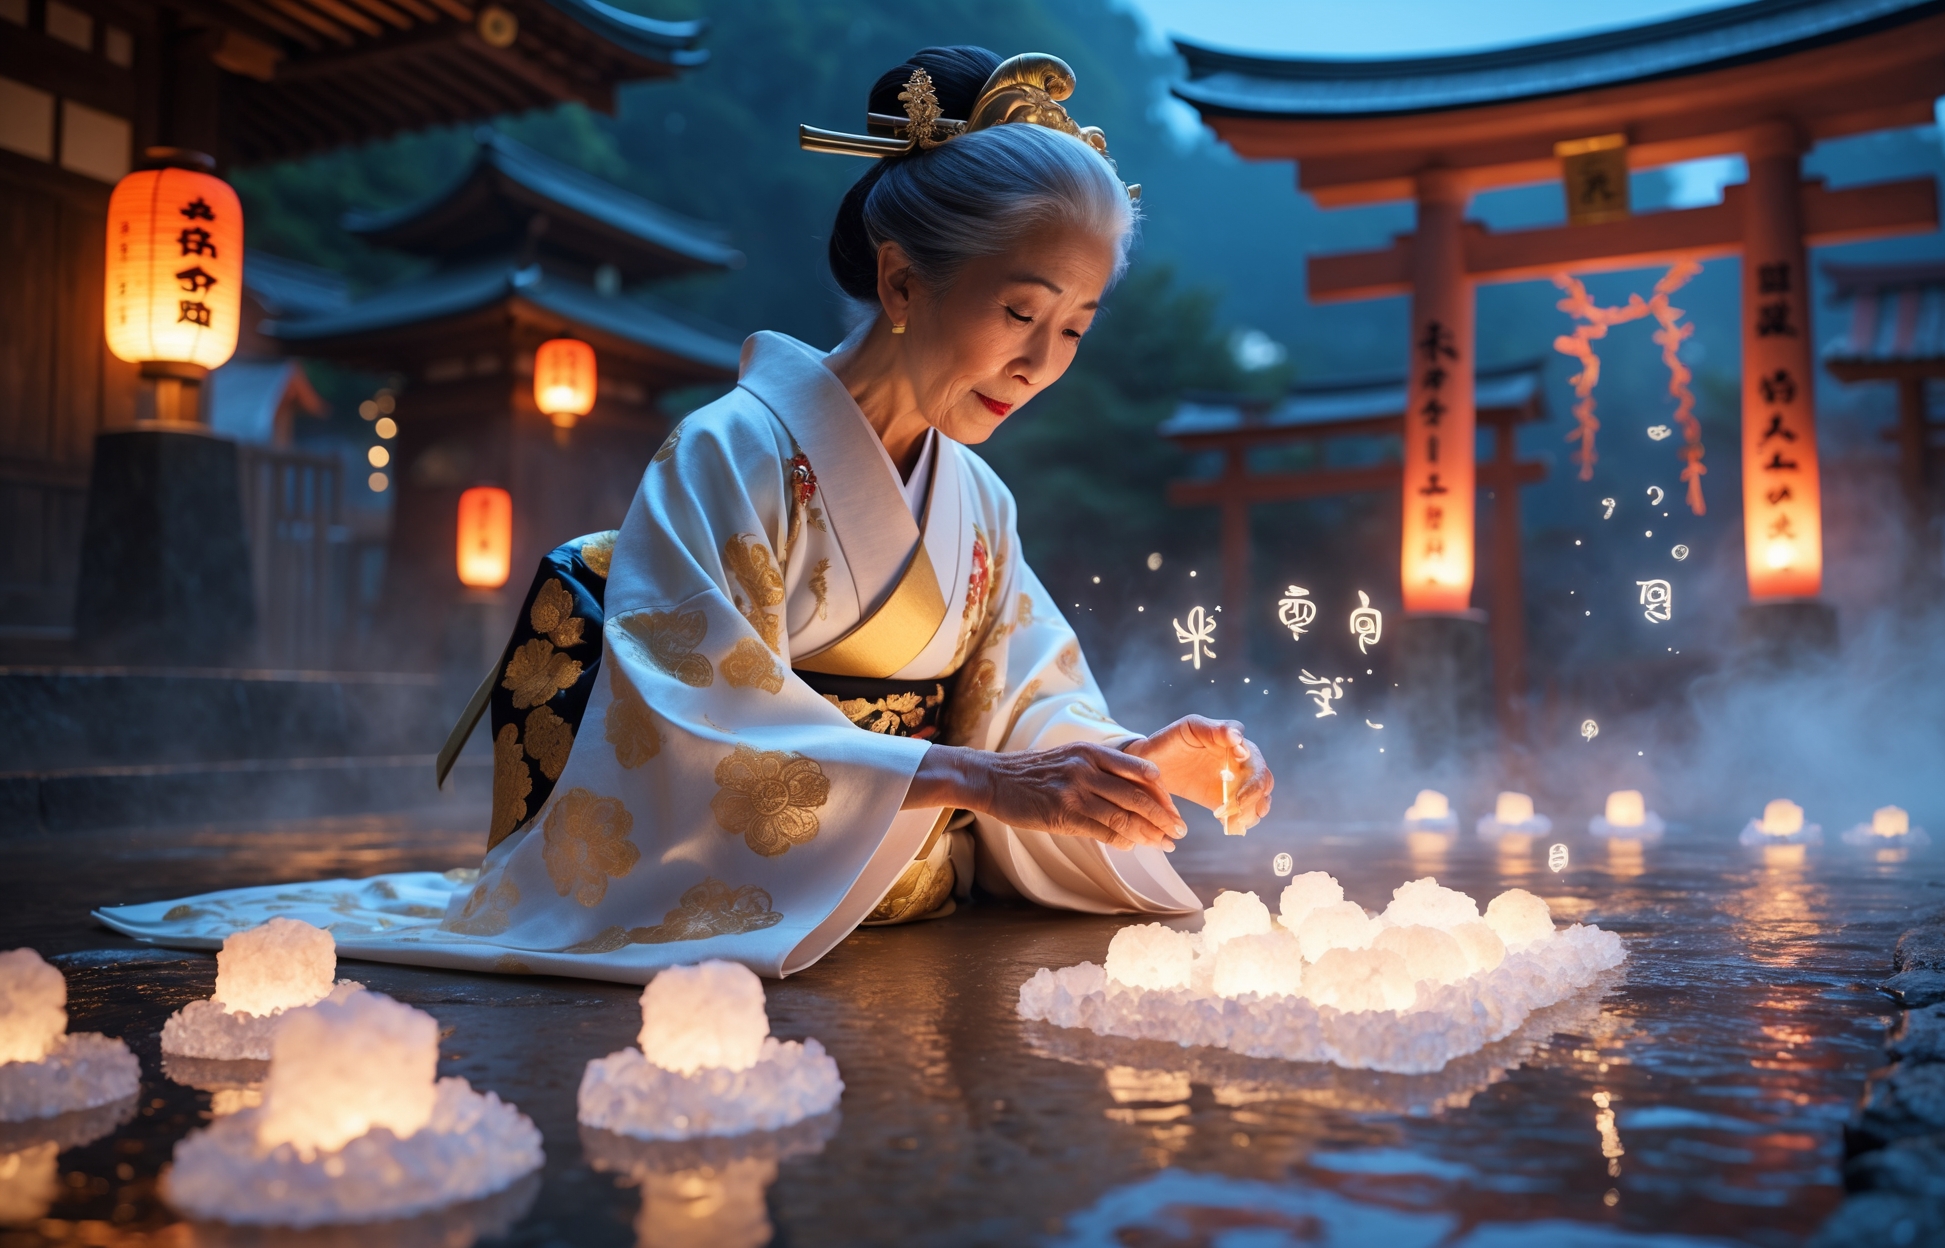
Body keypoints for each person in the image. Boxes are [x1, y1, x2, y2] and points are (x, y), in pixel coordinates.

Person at [98, 46, 1274, 984]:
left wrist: (1126, 761)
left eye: (1073, 329)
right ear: (905, 280)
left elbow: (1023, 702)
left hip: (895, 888)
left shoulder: (982, 501)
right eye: (1021, 310)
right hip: (751, 911)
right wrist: (974, 778)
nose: (1039, 362)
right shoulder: (731, 451)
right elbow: (701, 723)